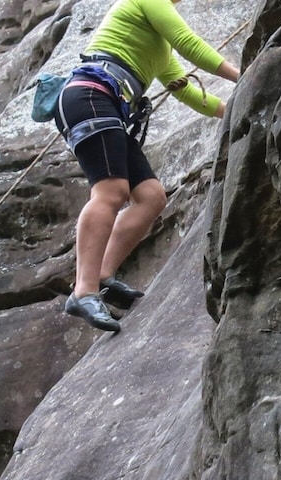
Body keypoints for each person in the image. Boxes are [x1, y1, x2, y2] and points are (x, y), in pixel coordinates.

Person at [53, 0, 241, 332]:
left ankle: (102, 274)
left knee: (151, 196)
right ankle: (83, 290)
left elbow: (184, 90)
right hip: (90, 97)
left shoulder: (160, 48)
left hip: (103, 103)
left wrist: (233, 109)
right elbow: (190, 43)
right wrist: (244, 77)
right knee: (111, 191)